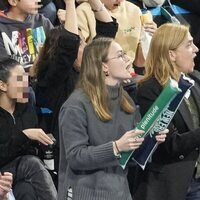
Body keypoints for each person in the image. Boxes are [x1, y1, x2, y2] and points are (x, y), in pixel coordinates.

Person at [58, 21, 168, 200]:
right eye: (120, 55)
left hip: (120, 192)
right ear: (104, 67)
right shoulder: (76, 105)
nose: (128, 59)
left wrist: (151, 141)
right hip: (83, 194)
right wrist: (116, 147)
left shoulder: (126, 101)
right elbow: (76, 157)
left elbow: (133, 159)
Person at [134, 23, 200, 200]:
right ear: (171, 54)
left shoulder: (196, 80)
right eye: (188, 44)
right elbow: (170, 145)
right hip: (173, 183)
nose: (195, 49)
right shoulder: (151, 89)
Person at [0, 58, 57, 199]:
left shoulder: (27, 109)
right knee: (30, 163)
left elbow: (32, 149)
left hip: (24, 176)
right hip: (3, 173)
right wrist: (24, 135)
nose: (26, 84)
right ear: (2, 85)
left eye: (26, 78)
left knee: (26, 190)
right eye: (20, 79)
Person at [0, 0, 53, 70]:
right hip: (18, 79)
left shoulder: (43, 21)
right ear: (13, 1)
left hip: (46, 78)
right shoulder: (2, 28)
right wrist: (30, 75)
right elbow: (5, 73)